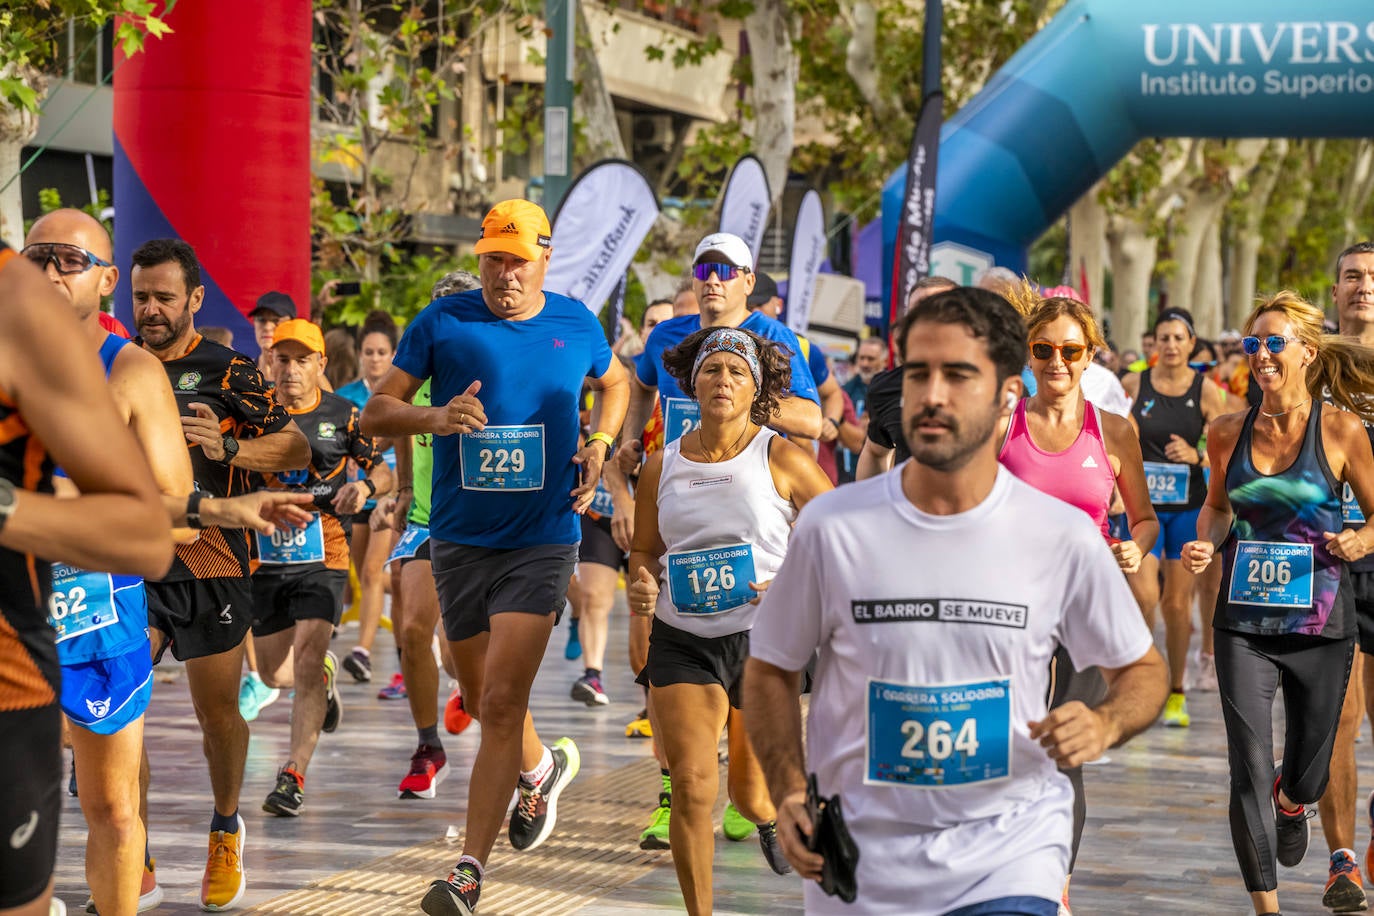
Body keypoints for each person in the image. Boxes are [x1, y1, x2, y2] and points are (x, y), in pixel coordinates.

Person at [744, 286, 1168, 915]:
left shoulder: (1061, 535)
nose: (933, 394)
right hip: (863, 866)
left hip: (1010, 855)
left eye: (959, 375)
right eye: (918, 373)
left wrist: (1105, 722)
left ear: (1005, 396)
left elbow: (1144, 672)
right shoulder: (833, 529)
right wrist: (785, 790)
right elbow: (770, 670)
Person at [360, 198, 630, 916]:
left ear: (545, 258)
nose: (503, 271)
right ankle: (540, 772)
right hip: (458, 541)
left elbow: (619, 382)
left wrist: (600, 443)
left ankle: (467, 873)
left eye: (516, 258)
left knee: (504, 702)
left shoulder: (575, 323)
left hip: (542, 541)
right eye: (492, 257)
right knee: (478, 698)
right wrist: (435, 417)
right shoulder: (441, 324)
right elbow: (373, 414)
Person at [1180, 290, 1374, 916]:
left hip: (1322, 625)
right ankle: (1268, 910)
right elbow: (1216, 508)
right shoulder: (1225, 432)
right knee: (1247, 769)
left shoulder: (1341, 429)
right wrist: (1206, 544)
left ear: (1307, 352)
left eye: (1275, 343)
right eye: (1253, 344)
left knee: (1309, 771)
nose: (1261, 355)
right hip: (1244, 624)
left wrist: (1358, 539)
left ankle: (1296, 803)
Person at [626, 326, 833, 914]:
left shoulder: (780, 455)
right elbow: (644, 550)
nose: (722, 381)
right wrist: (640, 583)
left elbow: (842, 527)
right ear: (693, 384)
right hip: (683, 635)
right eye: (712, 371)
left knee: (750, 795)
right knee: (692, 784)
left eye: (736, 372)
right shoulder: (660, 465)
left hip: (763, 641)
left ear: (756, 389)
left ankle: (766, 818)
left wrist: (797, 584)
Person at [132, 238, 310, 910]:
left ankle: (225, 825)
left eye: (164, 298)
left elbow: (294, 442)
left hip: (214, 565)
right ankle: (134, 853)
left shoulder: (230, 371)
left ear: (195, 301)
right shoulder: (118, 363)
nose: (150, 309)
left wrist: (229, 444)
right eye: (142, 296)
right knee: (122, 716)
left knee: (217, 716)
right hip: (136, 561)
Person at [0, 240, 173, 916]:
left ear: (104, 277)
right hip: (27, 611)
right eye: (38, 255)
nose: (49, 272)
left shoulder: (127, 369)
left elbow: (156, 524)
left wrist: (26, 507)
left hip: (94, 609)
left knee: (112, 804)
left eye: (68, 260)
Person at [996, 293, 1159, 914]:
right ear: (1028, 354)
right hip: (1009, 612)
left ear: (1090, 355)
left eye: (1070, 350)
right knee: (1012, 744)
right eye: (1044, 350)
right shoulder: (1003, 424)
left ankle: (1053, 890)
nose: (1057, 361)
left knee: (1067, 747)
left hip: (1085, 609)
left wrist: (1135, 551)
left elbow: (1143, 521)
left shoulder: (1112, 431)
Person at [253, 318, 391, 817]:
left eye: (302, 360)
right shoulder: (251, 414)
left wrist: (369, 488)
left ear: (320, 365)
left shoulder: (344, 414)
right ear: (270, 361)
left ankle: (292, 775)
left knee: (308, 661)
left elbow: (382, 468)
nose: (290, 370)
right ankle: (325, 677)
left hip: (324, 552)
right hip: (264, 556)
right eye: (282, 359)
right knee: (272, 674)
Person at [388, 270, 483, 801]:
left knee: (462, 653)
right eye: (441, 312)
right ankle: (429, 746)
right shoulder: (418, 366)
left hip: (482, 526)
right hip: (428, 518)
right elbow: (397, 420)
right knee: (411, 628)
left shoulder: (493, 367)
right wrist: (403, 487)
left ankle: (472, 700)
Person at [1122, 307, 1228, 727]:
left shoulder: (1205, 391)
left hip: (1187, 509)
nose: (1169, 345)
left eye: (1178, 338)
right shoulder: (1133, 383)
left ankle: (1176, 691)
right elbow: (1114, 434)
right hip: (1142, 507)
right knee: (1144, 596)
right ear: (1154, 343)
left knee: (1175, 603)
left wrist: (1196, 454)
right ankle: (1141, 680)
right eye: (1163, 338)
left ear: (1191, 344)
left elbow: (1225, 445)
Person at [1320, 240, 1374, 914]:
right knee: (1341, 718)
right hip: (1329, 557)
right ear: (1334, 291)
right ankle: (1342, 862)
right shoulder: (1313, 368)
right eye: (1353, 276)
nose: (1364, 286)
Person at [338, 310, 401, 684]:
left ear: (393, 354)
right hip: (357, 497)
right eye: (369, 352)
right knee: (370, 575)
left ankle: (361, 652)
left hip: (391, 497)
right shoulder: (346, 397)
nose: (375, 358)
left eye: (382, 352)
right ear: (360, 354)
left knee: (373, 570)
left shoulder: (403, 392)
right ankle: (425, 597)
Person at [853, 276, 957, 481]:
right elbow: (875, 451)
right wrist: (868, 507)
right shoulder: (885, 386)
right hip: (907, 509)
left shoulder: (991, 381)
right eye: (920, 309)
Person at [249, 291, 297, 380]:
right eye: (261, 319)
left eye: (276, 320)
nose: (267, 327)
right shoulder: (244, 372)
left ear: (292, 324)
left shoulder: (305, 371)